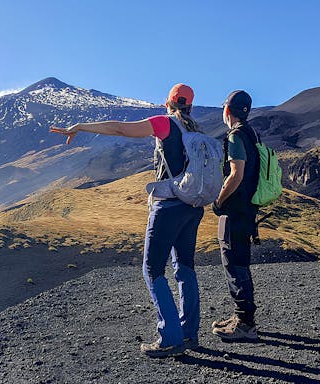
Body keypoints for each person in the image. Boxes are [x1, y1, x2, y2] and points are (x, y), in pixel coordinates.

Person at [50, 84, 204, 357]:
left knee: (153, 270)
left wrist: (82, 126)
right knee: (184, 266)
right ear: (190, 105)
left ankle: (170, 338)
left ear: (167, 103)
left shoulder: (165, 124)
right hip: (192, 206)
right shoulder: (196, 131)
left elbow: (121, 129)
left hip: (168, 205)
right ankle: (189, 332)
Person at [211, 90, 260, 340]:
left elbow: (236, 174)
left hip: (235, 211)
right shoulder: (252, 133)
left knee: (234, 265)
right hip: (248, 209)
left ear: (227, 110)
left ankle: (245, 324)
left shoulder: (235, 137)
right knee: (240, 262)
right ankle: (241, 317)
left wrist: (219, 200)